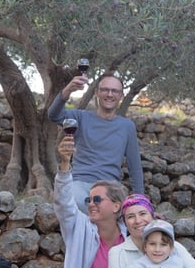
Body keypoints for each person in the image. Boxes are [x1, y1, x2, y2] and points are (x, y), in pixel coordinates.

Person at [54, 135, 128, 268]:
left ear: (116, 206)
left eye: (97, 199)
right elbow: (63, 203)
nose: (91, 204)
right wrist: (65, 164)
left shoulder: (130, 236)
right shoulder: (79, 227)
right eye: (88, 200)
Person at [47, 72, 144, 211]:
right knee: (73, 202)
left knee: (121, 213)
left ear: (121, 96)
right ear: (96, 93)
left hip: (110, 187)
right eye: (105, 90)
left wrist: (141, 202)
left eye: (115, 91)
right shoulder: (80, 118)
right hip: (80, 184)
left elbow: (135, 167)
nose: (109, 94)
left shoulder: (127, 126)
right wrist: (67, 90)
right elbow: (54, 115)